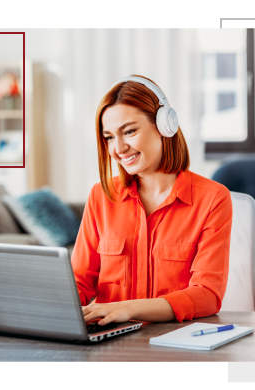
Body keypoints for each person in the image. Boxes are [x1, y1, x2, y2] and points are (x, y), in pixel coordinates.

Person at [71, 75, 232, 326]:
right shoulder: (101, 195)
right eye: (109, 137)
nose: (119, 148)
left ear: (164, 126)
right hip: (110, 341)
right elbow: (80, 282)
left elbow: (207, 295)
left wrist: (128, 309)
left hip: (175, 342)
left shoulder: (212, 198)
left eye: (129, 131)